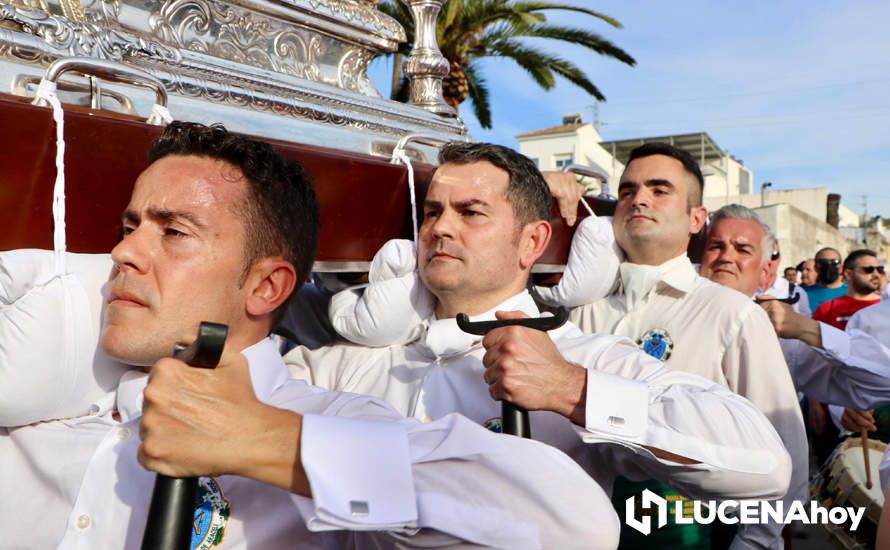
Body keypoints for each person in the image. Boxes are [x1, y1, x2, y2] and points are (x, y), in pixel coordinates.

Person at [0, 122, 627, 549]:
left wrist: (266, 442)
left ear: (267, 288)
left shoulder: (332, 417)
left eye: (174, 232)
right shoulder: (33, 407)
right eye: (129, 225)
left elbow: (571, 522)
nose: (121, 252)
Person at [286, 142, 792, 507]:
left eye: (472, 212)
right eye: (433, 212)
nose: (441, 228)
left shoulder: (581, 357)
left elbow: (767, 465)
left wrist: (572, 390)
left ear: (532, 242)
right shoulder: (348, 359)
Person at [567, 144, 807, 549]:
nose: (639, 199)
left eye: (660, 190)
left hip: (690, 526)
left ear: (697, 219)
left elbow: (782, 448)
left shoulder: (731, 314)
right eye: (627, 191)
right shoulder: (580, 311)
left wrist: (756, 542)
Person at [812, 249, 882, 330]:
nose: (876, 274)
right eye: (868, 269)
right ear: (848, 274)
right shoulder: (826, 310)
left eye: (879, 269)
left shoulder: (886, 306)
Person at [806, 247, 847, 311]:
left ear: (841, 267)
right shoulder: (804, 294)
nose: (828, 265)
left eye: (834, 262)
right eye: (823, 262)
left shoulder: (853, 293)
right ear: (816, 268)